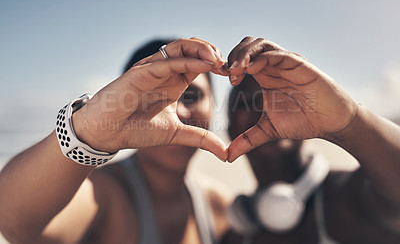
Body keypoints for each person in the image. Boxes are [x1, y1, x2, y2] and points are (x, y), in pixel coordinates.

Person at [0, 37, 231, 244]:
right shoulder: (106, 195)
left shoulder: (216, 202)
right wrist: (87, 133)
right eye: (153, 98)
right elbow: (13, 222)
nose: (176, 111)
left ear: (213, 105)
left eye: (192, 96)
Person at [220, 37, 400, 244]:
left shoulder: (350, 198)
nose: (265, 109)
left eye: (280, 99)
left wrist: (349, 120)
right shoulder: (235, 236)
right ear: (230, 129)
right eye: (248, 103)